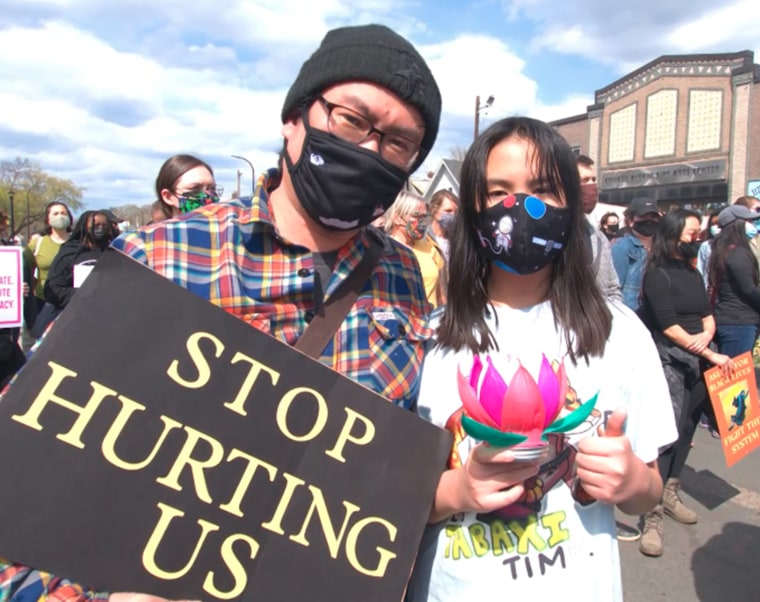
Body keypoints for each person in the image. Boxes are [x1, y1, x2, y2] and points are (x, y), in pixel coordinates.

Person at [0, 23, 442, 602]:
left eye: (397, 143)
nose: (369, 150)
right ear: (294, 120)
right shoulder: (160, 257)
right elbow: (26, 479)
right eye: (351, 120)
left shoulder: (405, 278)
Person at [405, 117, 675, 601]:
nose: (520, 206)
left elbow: (648, 491)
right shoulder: (428, 339)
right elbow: (386, 498)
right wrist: (457, 492)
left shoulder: (621, 334)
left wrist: (632, 479)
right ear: (472, 207)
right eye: (498, 191)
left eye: (544, 189)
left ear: (571, 204)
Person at [637, 209, 732, 557]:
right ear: (674, 234)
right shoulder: (657, 275)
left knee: (688, 428)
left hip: (699, 359)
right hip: (670, 362)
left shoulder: (691, 271)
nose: (697, 237)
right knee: (666, 434)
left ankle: (671, 492)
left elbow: (706, 313)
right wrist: (710, 353)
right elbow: (668, 325)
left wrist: (707, 335)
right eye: (691, 232)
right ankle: (652, 514)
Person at [708, 205, 760, 358]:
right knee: (736, 375)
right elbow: (748, 289)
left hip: (732, 319)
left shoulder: (723, 250)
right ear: (736, 225)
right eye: (749, 221)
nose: (753, 225)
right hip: (738, 321)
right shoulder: (738, 253)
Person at [44, 211, 119, 310]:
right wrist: (82, 294)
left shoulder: (114, 253)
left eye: (104, 225)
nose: (100, 228)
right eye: (96, 225)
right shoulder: (70, 253)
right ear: (84, 227)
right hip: (75, 314)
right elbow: (52, 289)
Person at [385, 190, 446, 307]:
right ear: (397, 218)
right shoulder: (385, 251)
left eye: (425, 217)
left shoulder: (430, 248)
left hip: (430, 321)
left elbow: (441, 296)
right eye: (417, 216)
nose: (422, 223)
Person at [576, 154, 621, 301]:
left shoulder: (599, 238)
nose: (591, 186)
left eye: (593, 180)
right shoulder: (550, 235)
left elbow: (613, 287)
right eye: (584, 181)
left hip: (598, 319)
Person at [611, 197, 661, 311]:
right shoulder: (622, 248)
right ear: (630, 220)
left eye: (653, 217)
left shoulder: (662, 247)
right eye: (643, 217)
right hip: (633, 312)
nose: (649, 221)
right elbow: (614, 288)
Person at [25, 201, 73, 316]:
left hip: (72, 301)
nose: (60, 216)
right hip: (43, 302)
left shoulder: (79, 243)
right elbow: (26, 272)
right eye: (55, 214)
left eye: (63, 213)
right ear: (47, 219)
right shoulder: (37, 244)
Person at [153, 154, 222, 219]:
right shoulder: (159, 231)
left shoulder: (226, 230)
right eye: (195, 188)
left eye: (212, 188)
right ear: (168, 197)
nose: (207, 196)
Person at [696, 207, 723, 290]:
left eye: (718, 224)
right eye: (712, 224)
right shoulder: (706, 246)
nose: (715, 228)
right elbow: (700, 270)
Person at [427, 189, 458, 261]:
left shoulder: (456, 239)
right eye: (448, 211)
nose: (453, 215)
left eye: (456, 212)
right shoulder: (424, 238)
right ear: (434, 211)